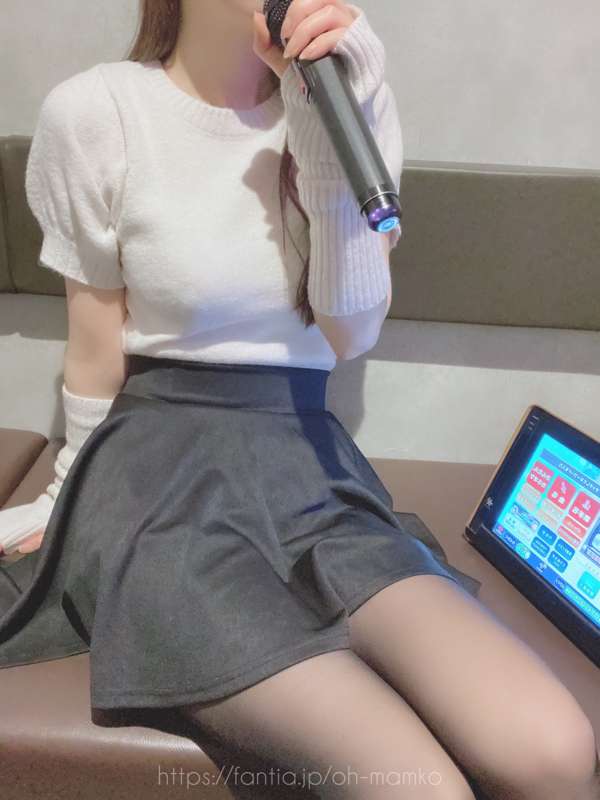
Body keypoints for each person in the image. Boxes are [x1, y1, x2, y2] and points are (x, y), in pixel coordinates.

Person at [1, 1, 598, 798]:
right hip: (156, 481)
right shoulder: (96, 111)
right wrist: (65, 496)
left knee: (554, 750)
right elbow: (95, 346)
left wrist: (323, 124)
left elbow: (351, 331)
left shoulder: (351, 96)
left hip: (308, 467)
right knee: (417, 788)